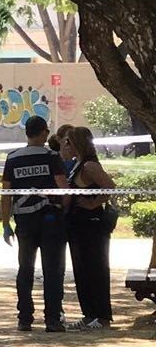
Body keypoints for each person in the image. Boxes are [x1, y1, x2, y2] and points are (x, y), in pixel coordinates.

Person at [1, 115, 71, 332]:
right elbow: (62, 187)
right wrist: (66, 210)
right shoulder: (52, 157)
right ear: (43, 133)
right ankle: (53, 319)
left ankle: (24, 317)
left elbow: (6, 193)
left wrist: (5, 224)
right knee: (53, 269)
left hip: (24, 221)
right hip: (51, 220)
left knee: (25, 268)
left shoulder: (13, 158)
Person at [61, 125, 118, 330]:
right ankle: (89, 313)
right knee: (82, 270)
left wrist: (93, 203)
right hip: (77, 225)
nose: (66, 145)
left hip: (92, 225)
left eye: (69, 142)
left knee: (96, 269)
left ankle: (102, 316)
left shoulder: (90, 166)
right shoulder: (76, 164)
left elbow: (110, 187)